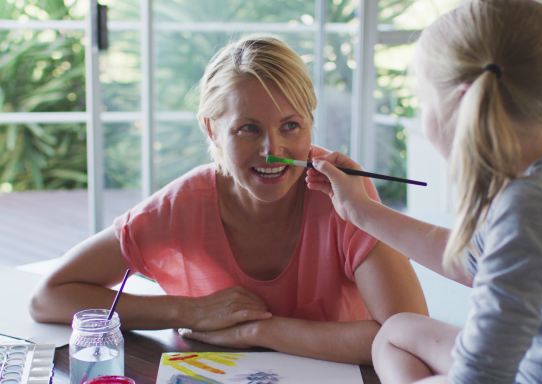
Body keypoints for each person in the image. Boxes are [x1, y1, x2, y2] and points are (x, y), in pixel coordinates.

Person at [306, 0, 542, 382]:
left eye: (423, 99)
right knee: (397, 332)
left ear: (462, 103)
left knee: (397, 343)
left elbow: (481, 375)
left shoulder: (530, 207)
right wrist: (361, 212)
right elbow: (472, 262)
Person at [29, 35, 427, 365]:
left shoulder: (344, 195)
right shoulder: (181, 205)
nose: (274, 149)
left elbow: (410, 335)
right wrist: (186, 310)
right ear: (211, 129)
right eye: (248, 129)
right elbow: (50, 297)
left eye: (291, 125)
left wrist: (260, 330)